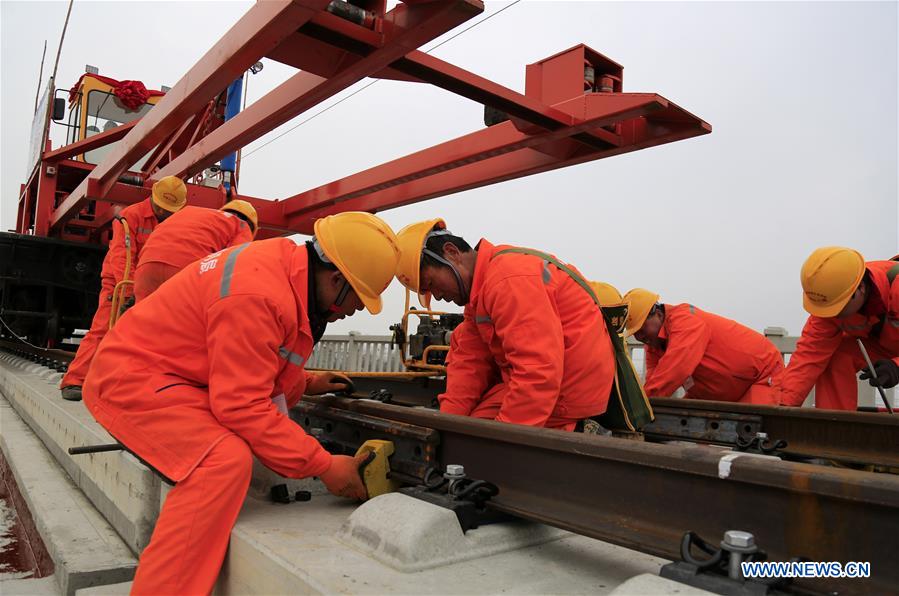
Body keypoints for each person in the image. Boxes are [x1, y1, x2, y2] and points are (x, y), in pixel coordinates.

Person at [82, 212, 400, 594]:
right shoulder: (260, 294)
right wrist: (325, 465)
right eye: (359, 299)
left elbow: (252, 358)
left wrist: (307, 382)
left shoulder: (283, 271)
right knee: (221, 461)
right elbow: (242, 404)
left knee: (237, 446)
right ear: (336, 279)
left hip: (173, 375)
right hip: (132, 378)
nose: (356, 311)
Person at [394, 218, 618, 431]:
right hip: (550, 381)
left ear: (452, 253)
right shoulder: (480, 294)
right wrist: (446, 423)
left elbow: (537, 372)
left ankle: (577, 428)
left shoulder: (506, 280)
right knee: (465, 431)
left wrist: (503, 441)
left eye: (432, 284)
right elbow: (470, 362)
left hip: (569, 390)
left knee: (478, 442)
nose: (438, 296)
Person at [59, 175, 187, 401]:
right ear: (154, 198)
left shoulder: (175, 221)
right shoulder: (130, 216)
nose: (165, 214)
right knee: (104, 328)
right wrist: (129, 293)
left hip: (150, 286)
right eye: (163, 209)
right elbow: (122, 258)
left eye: (170, 211)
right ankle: (74, 380)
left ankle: (125, 384)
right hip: (121, 283)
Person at [774, 247, 899, 410]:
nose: (831, 314)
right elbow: (808, 358)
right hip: (884, 346)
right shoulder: (829, 298)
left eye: (837, 307)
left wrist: (896, 366)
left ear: (860, 288)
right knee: (837, 355)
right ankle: (836, 425)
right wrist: (781, 408)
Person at [624, 288, 784, 404]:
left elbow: (676, 368)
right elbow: (654, 381)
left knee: (754, 440)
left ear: (658, 314)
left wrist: (639, 407)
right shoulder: (653, 345)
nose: (639, 337)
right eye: (635, 332)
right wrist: (644, 403)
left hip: (760, 377)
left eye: (642, 328)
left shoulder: (685, 322)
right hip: (710, 393)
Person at [133, 200, 258, 301]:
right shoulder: (242, 226)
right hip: (184, 271)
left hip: (146, 267)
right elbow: (237, 264)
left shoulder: (190, 211)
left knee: (142, 324)